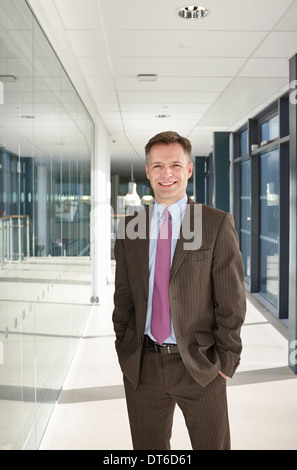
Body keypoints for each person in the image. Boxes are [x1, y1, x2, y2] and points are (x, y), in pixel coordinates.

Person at [112, 131, 246, 450]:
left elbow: (231, 300)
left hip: (200, 365)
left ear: (188, 170)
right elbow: (123, 297)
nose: (166, 173)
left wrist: (226, 362)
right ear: (147, 171)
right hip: (143, 366)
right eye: (158, 166)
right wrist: (124, 345)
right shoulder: (131, 227)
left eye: (175, 165)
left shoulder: (214, 224)